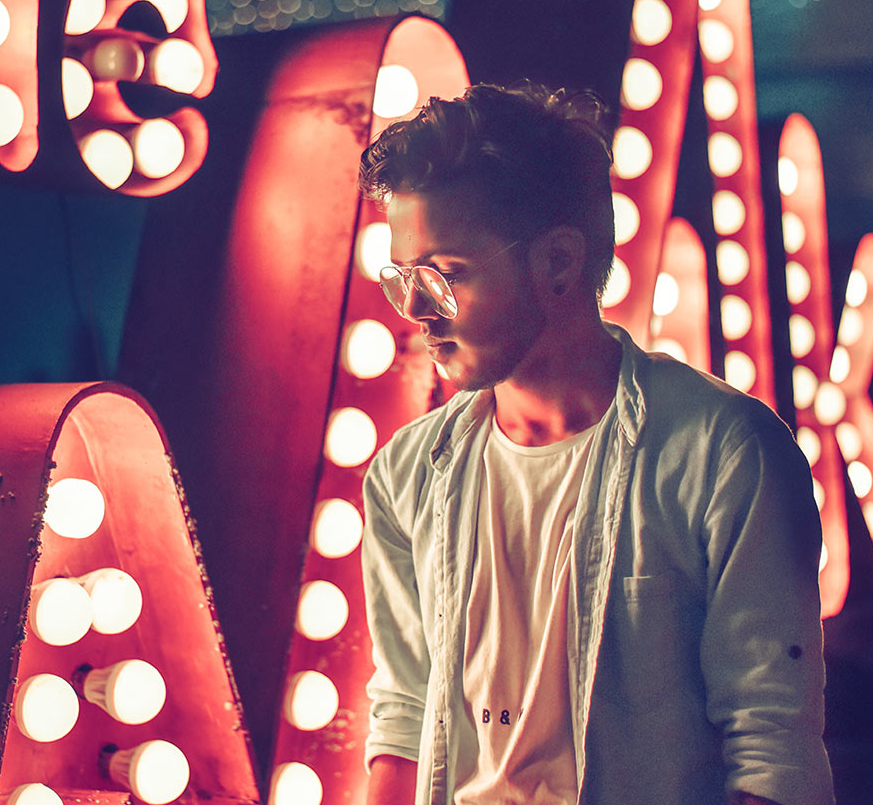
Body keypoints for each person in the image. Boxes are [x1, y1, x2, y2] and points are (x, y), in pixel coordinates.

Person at [356, 83, 834, 805]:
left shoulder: (723, 453)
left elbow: (771, 752)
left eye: (445, 275)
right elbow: (403, 716)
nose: (417, 311)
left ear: (556, 262)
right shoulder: (405, 475)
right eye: (402, 278)